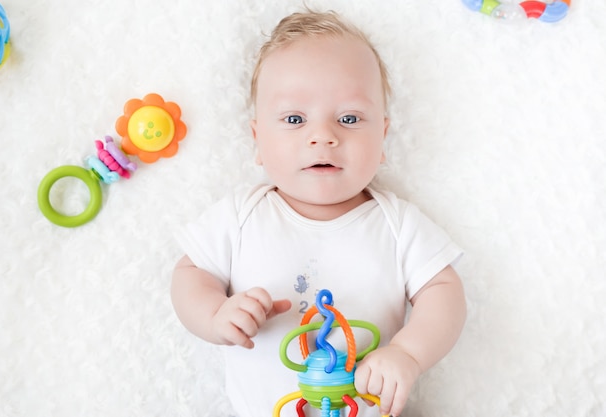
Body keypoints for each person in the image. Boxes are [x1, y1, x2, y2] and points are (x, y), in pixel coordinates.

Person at [171, 9, 466, 417]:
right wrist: (214, 314)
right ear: (257, 140)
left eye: (349, 118)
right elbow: (190, 274)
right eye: (294, 119)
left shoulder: (397, 224)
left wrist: (407, 354)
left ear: (382, 136)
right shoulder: (241, 215)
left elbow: (444, 294)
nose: (323, 136)